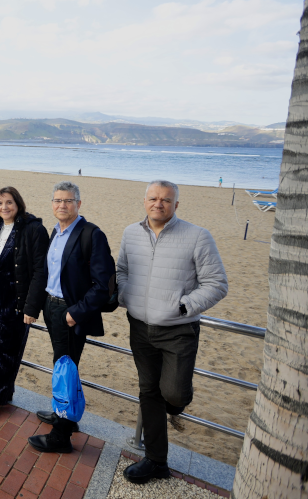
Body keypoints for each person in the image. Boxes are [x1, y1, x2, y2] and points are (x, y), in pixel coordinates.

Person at [117, 180, 227, 484]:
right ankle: (156, 461)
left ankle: (176, 406)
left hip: (178, 330)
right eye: (153, 198)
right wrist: (126, 295)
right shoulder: (130, 233)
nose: (158, 204)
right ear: (144, 201)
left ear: (176, 205)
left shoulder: (197, 236)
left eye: (166, 200)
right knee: (148, 392)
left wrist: (182, 307)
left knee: (175, 392)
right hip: (139, 327)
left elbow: (217, 284)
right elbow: (121, 270)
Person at [28, 182, 115, 453]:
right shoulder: (56, 232)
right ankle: (61, 414)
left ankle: (61, 436)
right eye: (57, 200)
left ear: (79, 204)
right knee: (60, 364)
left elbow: (104, 286)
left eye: (68, 201)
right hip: (52, 308)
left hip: (71, 313)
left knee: (67, 369)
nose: (62, 205)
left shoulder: (92, 234)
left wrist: (74, 313)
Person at [0, 187, 48, 424]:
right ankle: (3, 391)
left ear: (19, 204)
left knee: (7, 350)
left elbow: (40, 270)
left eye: (9, 203)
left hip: (15, 302)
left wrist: (31, 307)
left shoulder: (33, 229)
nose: (4, 207)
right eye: (0, 203)